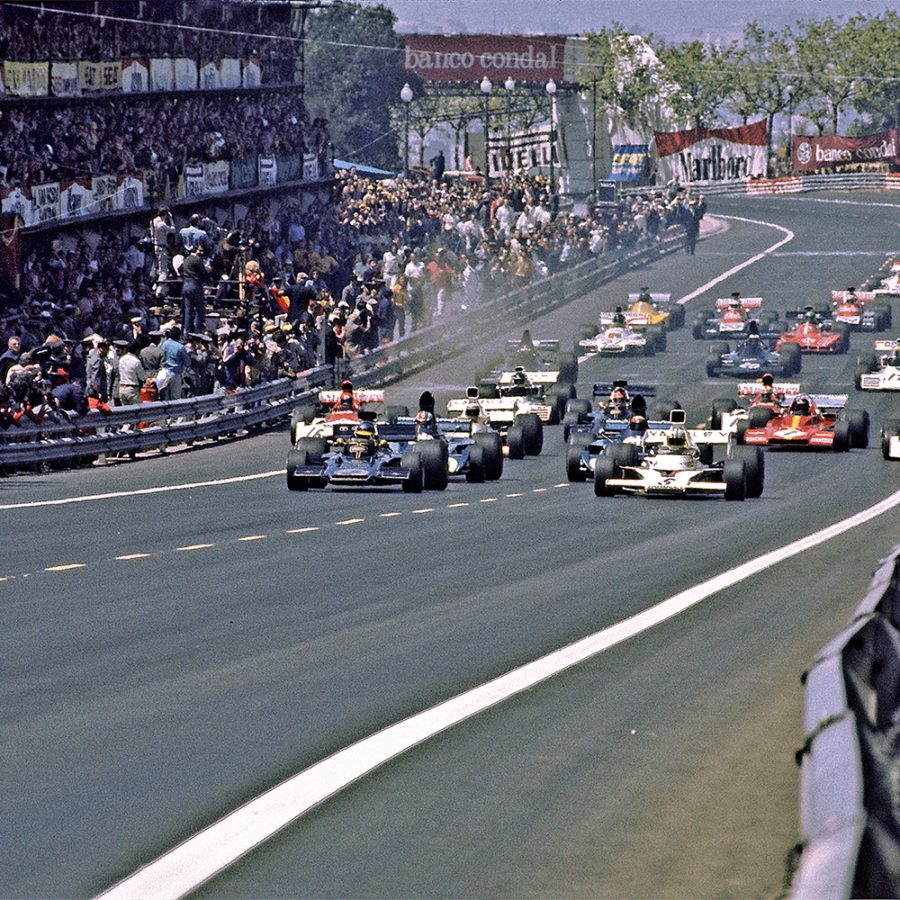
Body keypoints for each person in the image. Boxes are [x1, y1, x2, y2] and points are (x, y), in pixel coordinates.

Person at [180, 244, 209, 336]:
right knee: (199, 309)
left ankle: (187, 332)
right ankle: (197, 332)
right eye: (200, 250)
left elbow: (180, 269)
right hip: (195, 285)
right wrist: (209, 280)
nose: (201, 253)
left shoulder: (186, 259)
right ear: (195, 250)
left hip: (186, 285)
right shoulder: (197, 259)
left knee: (188, 309)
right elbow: (203, 272)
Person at [158, 325, 192, 400]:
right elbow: (188, 363)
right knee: (175, 398)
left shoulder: (163, 344)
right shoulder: (180, 347)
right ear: (179, 336)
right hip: (175, 374)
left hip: (163, 372)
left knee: (163, 397)